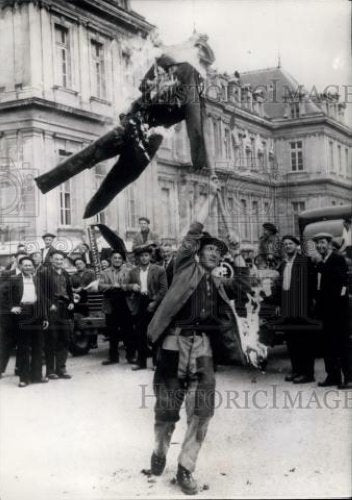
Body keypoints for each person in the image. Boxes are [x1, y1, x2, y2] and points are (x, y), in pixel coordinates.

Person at [146, 222, 252, 495]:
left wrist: (238, 252)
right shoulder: (183, 267)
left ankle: (185, 468)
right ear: (198, 252)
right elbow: (191, 234)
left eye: (220, 251)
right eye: (210, 249)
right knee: (167, 410)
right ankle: (159, 450)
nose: (215, 254)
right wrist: (209, 194)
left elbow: (242, 285)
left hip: (203, 348)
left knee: (202, 410)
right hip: (172, 345)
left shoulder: (217, 282)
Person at [273, 235, 317, 384]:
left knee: (304, 341)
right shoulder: (284, 264)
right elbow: (280, 287)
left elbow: (311, 286)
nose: (287, 246)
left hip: (301, 308)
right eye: (285, 244)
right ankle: (296, 370)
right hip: (287, 308)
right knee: (291, 341)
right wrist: (279, 304)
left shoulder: (304, 262)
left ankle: (307, 374)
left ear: (297, 246)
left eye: (290, 244)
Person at [313, 233, 351, 389]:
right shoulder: (321, 262)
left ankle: (348, 377)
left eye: (322, 243)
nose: (320, 246)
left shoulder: (337, 259)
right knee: (328, 345)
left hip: (337, 311)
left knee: (342, 344)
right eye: (317, 244)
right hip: (325, 311)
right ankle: (333, 375)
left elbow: (342, 285)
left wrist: (339, 307)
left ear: (329, 244)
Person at [6, 257, 49, 387]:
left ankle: (37, 376)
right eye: (25, 265)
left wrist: (45, 317)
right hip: (23, 313)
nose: (28, 267)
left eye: (30, 265)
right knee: (23, 347)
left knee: (38, 346)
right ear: (20, 266)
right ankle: (23, 378)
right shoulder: (14, 280)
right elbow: (5, 296)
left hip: (36, 313)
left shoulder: (36, 279)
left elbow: (41, 299)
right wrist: (12, 307)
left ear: (33, 266)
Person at [125, 245, 167, 370]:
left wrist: (154, 303)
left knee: (154, 333)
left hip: (154, 302)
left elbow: (164, 289)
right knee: (140, 333)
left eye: (146, 256)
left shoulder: (159, 270)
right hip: (139, 303)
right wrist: (132, 286)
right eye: (141, 256)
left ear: (150, 256)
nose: (143, 258)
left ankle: (156, 362)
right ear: (137, 258)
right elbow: (125, 286)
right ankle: (141, 362)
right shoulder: (133, 271)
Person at [40, 251, 74, 379]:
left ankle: (61, 369)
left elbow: (69, 290)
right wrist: (49, 304)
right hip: (52, 309)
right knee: (51, 339)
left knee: (65, 338)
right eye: (56, 259)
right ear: (51, 260)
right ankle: (50, 371)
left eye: (61, 259)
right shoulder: (44, 273)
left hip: (64, 309)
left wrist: (71, 302)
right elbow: (41, 292)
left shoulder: (65, 273)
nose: (59, 261)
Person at [98, 251, 133, 364]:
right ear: (111, 260)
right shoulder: (105, 272)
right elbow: (100, 286)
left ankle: (130, 356)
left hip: (125, 304)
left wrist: (122, 286)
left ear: (122, 260)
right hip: (110, 304)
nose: (117, 260)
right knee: (112, 332)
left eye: (119, 258)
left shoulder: (128, 272)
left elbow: (132, 286)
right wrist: (112, 286)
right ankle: (113, 357)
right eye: (115, 258)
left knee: (127, 331)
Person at [0, 251, 27, 377]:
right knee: (6, 342)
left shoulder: (30, 276)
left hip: (24, 315)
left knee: (22, 342)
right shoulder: (6, 274)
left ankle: (19, 368)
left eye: (25, 261)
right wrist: (10, 308)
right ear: (15, 260)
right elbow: (2, 294)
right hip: (9, 315)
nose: (22, 263)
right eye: (19, 260)